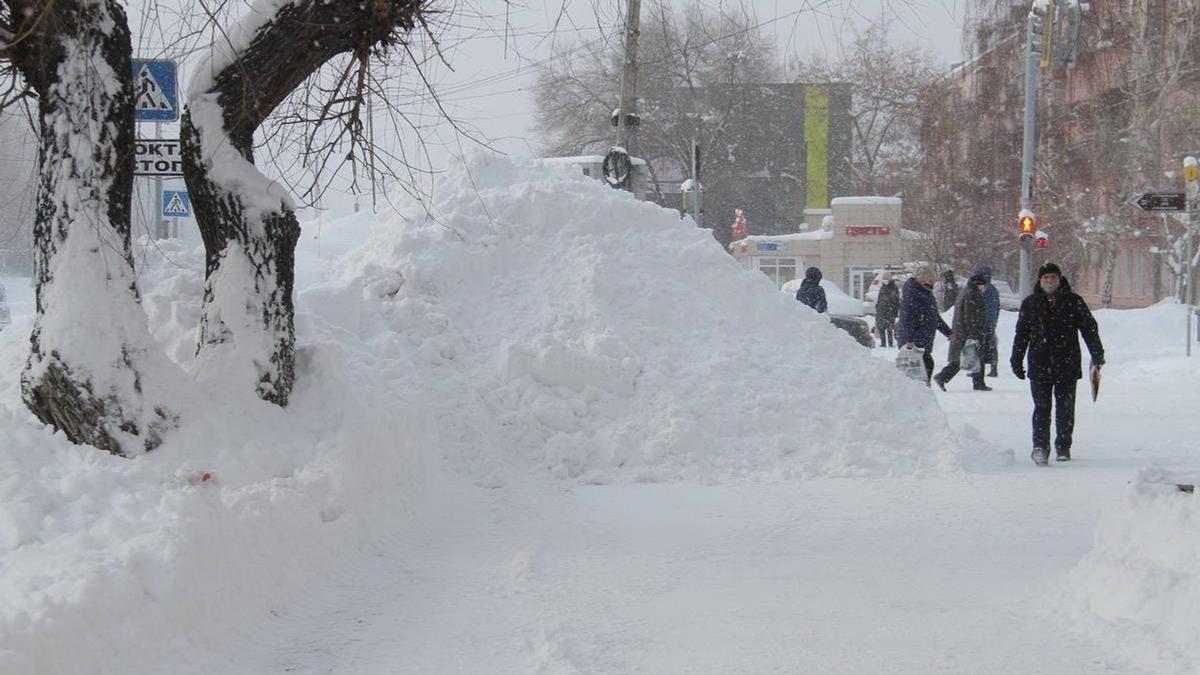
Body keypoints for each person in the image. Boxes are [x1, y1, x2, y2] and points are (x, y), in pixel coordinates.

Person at [1010, 263, 1105, 465]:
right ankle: (1040, 447)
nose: (1049, 281)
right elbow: (1022, 334)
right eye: (1046, 278)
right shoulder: (1031, 303)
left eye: (1053, 277)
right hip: (1039, 364)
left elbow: (1089, 329)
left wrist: (1097, 353)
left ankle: (1063, 446)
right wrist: (1016, 359)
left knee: (1065, 408)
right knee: (1041, 408)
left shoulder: (1073, 302)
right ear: (1040, 280)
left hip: (1067, 363)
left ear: (1060, 279)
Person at [933, 273, 992, 392]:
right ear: (978, 284)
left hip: (962, 330)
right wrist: (973, 334)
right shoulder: (973, 295)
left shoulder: (965, 292)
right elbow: (970, 316)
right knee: (968, 358)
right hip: (969, 332)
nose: (983, 287)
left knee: (969, 358)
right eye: (982, 285)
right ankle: (942, 377)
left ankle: (977, 382)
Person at [898, 266, 953, 386]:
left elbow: (934, 317)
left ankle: (922, 393)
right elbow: (907, 318)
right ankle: (920, 394)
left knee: (926, 366)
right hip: (914, 340)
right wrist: (909, 339)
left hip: (922, 339)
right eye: (931, 280)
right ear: (922, 279)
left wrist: (948, 332)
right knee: (923, 367)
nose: (933, 283)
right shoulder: (913, 293)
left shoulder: (925, 293)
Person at [975, 265, 1001, 377]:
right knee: (991, 345)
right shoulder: (993, 289)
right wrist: (994, 320)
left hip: (982, 322)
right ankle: (993, 368)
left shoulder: (982, 289)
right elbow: (997, 306)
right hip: (991, 321)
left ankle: (977, 370)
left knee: (980, 346)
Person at [874, 272, 901, 348]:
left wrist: (894, 311)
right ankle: (883, 343)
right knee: (881, 328)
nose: (884, 280)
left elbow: (896, 300)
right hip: (881, 311)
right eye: (884, 279)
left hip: (890, 311)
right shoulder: (882, 287)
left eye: (886, 279)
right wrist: (878, 307)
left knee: (889, 328)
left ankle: (890, 343)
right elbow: (880, 299)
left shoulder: (894, 288)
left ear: (889, 279)